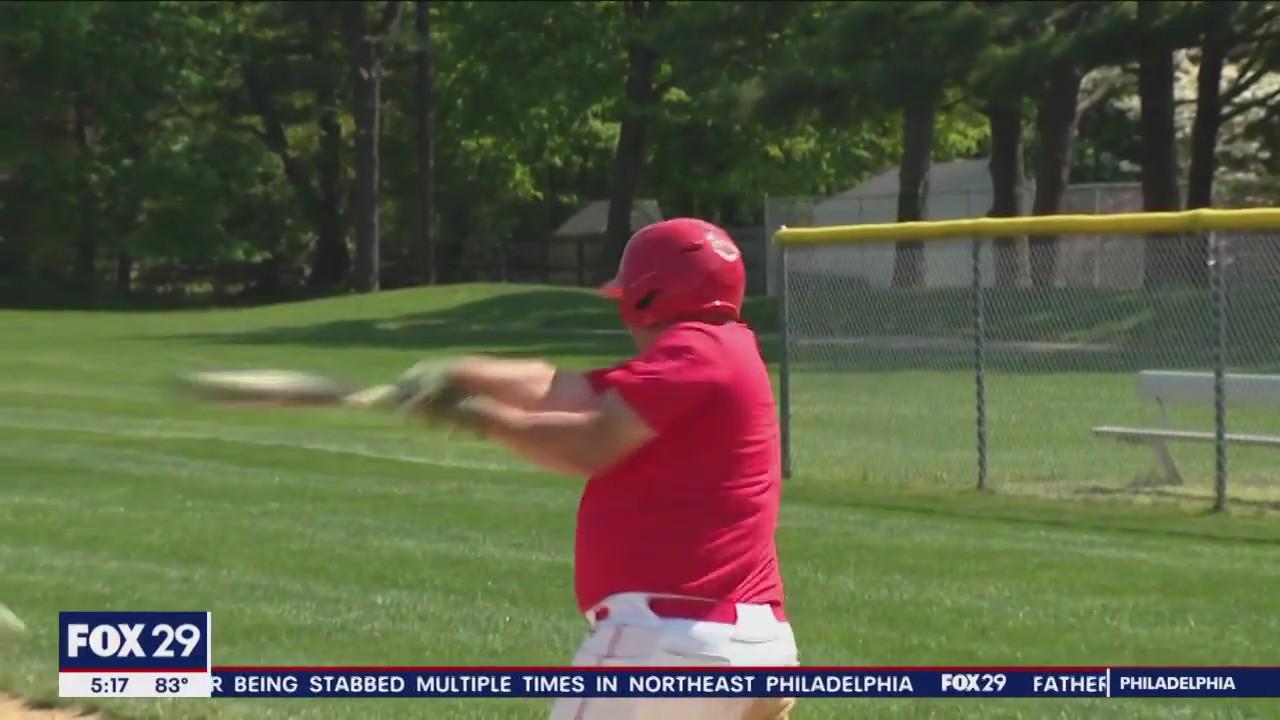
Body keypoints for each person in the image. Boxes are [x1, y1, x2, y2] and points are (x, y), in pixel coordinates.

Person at [400, 218, 797, 720]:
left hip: (669, 647)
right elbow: (565, 389)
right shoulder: (723, 352)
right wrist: (459, 375)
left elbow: (592, 441)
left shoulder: (696, 349)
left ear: (649, 297)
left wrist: (480, 418)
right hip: (749, 649)